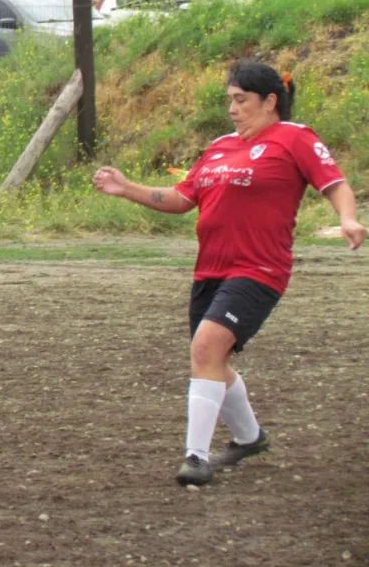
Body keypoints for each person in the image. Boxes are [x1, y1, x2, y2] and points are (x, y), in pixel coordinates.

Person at [93, 61, 366, 487]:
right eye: (230, 101)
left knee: (205, 348)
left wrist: (348, 219)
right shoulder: (220, 147)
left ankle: (196, 458)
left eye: (241, 100)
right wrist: (127, 188)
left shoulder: (295, 138)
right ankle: (249, 438)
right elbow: (183, 198)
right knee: (212, 359)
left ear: (270, 101)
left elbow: (335, 183)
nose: (233, 109)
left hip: (259, 270)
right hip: (210, 271)